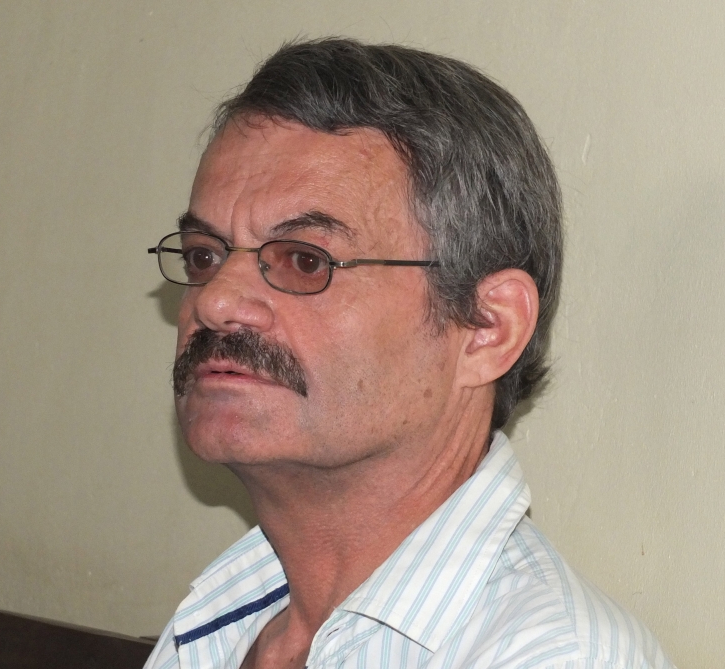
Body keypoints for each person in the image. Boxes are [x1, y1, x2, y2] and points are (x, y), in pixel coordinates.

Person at [144, 38, 674, 669]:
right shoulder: (218, 624)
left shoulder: (550, 657)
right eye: (205, 255)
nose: (216, 302)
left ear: (488, 328)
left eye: (305, 261)